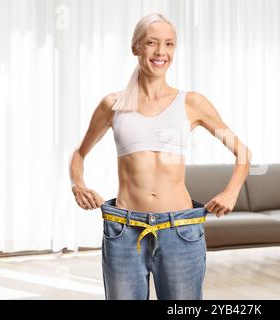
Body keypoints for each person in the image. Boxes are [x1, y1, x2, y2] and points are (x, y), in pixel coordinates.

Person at [68, 12, 252, 300]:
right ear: (136, 47)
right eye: (152, 43)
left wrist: (231, 192)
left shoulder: (192, 103)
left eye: (169, 44)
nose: (161, 52)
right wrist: (78, 184)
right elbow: (79, 154)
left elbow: (242, 151)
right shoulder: (113, 105)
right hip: (124, 231)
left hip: (181, 231)